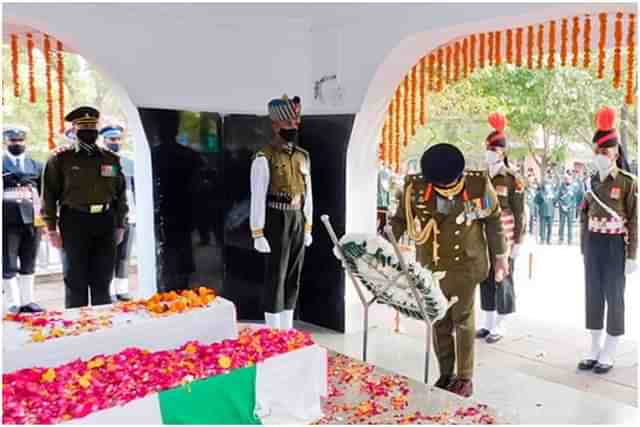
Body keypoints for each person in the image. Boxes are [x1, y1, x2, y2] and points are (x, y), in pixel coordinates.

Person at [391, 143, 508, 398]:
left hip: (466, 263)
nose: (444, 187)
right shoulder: (416, 187)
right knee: (439, 321)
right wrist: (385, 242)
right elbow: (400, 219)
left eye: (448, 183)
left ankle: (465, 378)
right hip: (431, 266)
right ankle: (446, 373)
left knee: (463, 320)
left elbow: (493, 218)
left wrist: (500, 256)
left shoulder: (477, 185)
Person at [41, 106, 128, 308]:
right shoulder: (61, 159)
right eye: (83, 127)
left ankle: (103, 327)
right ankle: (77, 330)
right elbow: (49, 195)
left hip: (105, 220)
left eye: (92, 126)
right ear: (74, 129)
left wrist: (120, 224)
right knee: (75, 280)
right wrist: (51, 229)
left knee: (103, 279)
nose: (88, 131)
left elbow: (120, 194)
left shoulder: (110, 158)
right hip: (74, 221)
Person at [578, 107, 637, 374]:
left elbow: (635, 220)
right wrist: (583, 247)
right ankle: (594, 346)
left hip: (615, 246)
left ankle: (610, 349)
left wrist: (632, 255)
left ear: (616, 152)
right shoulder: (591, 182)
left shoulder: (628, 183)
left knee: (614, 296)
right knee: (593, 293)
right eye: (598, 152)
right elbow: (583, 215)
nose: (601, 157)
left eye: (606, 152)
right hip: (594, 244)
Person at [250, 95, 313, 330]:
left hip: (297, 217)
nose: (293, 127)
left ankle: (287, 326)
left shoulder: (302, 155)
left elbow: (309, 193)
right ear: (275, 125)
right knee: (276, 276)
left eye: (296, 123)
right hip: (276, 218)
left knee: (293, 274)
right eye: (288, 124)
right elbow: (257, 196)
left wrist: (308, 225)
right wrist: (258, 232)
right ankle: (273, 329)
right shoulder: (264, 157)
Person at [476, 113, 525, 343]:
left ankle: (501, 323)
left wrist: (518, 242)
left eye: (493, 150)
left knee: (502, 276)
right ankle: (487, 320)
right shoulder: (482, 176)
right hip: (483, 233)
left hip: (504, 235)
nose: (489, 153)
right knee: (485, 275)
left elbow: (519, 213)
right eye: (487, 149)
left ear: (502, 152)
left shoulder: (512, 178)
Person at [2, 126, 45, 313]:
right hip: (7, 219)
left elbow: (44, 193)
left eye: (20, 141)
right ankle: (13, 302)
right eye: (13, 141)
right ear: (6, 142)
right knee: (9, 262)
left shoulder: (36, 165)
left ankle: (28, 300)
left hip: (33, 219)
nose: (17, 144)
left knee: (29, 260)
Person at [100, 124, 135, 301]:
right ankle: (109, 290)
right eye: (112, 139)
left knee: (124, 255)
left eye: (118, 139)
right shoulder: (100, 161)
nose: (116, 142)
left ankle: (122, 289)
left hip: (130, 214)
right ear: (104, 140)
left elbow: (133, 188)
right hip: (110, 215)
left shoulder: (129, 162)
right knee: (109, 254)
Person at [555, 173, 578, 245]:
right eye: (566, 179)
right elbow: (558, 198)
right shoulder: (561, 187)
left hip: (570, 209)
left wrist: (570, 206)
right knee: (561, 224)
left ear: (571, 180)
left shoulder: (573, 188)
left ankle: (570, 240)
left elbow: (574, 199)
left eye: (568, 179)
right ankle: (560, 239)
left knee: (570, 225)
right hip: (562, 209)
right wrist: (562, 206)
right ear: (564, 180)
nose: (567, 180)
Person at [534, 179, 555, 244]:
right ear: (544, 185)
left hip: (550, 212)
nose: (547, 186)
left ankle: (549, 240)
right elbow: (535, 201)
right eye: (546, 184)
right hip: (543, 212)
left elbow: (555, 201)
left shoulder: (552, 193)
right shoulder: (540, 193)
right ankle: (542, 240)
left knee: (550, 227)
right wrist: (537, 209)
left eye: (548, 185)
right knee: (542, 227)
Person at [377, 165, 392, 234]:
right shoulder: (382, 174)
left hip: (382, 205)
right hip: (380, 204)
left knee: (382, 223)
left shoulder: (383, 174)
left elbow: (387, 189)